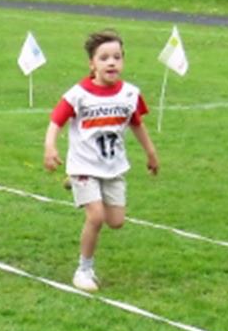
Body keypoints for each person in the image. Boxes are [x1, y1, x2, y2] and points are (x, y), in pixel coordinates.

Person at [43, 29, 158, 292]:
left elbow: (137, 124)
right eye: (104, 58)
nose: (111, 62)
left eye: (117, 57)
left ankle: (75, 182)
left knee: (116, 221)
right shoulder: (78, 94)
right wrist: (50, 147)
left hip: (113, 167)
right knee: (95, 217)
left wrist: (151, 153)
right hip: (84, 164)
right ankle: (84, 270)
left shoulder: (130, 94)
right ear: (92, 64)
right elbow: (55, 121)